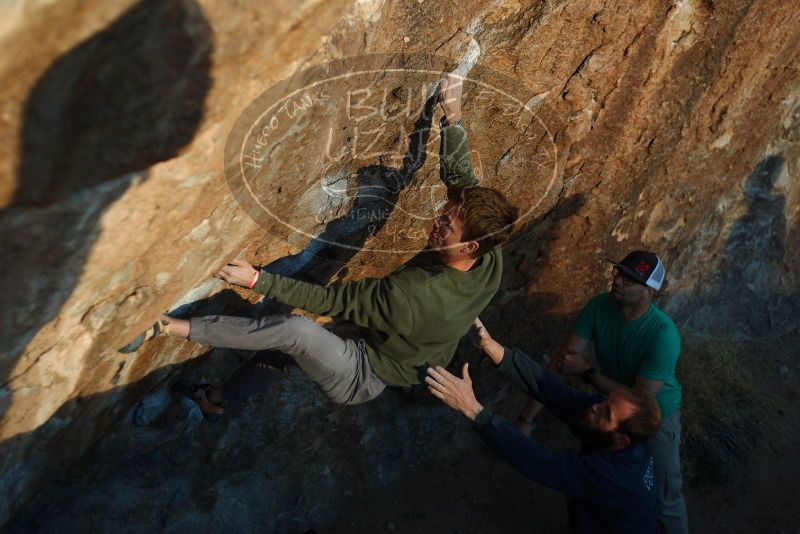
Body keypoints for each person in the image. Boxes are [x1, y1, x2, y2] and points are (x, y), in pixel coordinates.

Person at [122, 73, 518, 413]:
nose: (437, 220)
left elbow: (334, 301)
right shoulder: (489, 249)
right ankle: (218, 400)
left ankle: (166, 326)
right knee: (288, 349)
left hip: (364, 375)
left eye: (447, 225)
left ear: (469, 247)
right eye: (444, 213)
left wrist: (259, 281)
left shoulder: (415, 294)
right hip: (394, 344)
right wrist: (452, 116)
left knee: (297, 333)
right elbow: (461, 181)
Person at [426, 318, 661, 533]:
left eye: (606, 412)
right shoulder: (619, 430)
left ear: (621, 440)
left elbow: (539, 461)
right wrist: (493, 348)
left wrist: (472, 409)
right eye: (605, 400)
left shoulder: (614, 476)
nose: (596, 405)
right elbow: (555, 392)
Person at [517, 250, 688, 533]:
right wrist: (526, 419)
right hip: (610, 408)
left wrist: (587, 372)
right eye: (619, 272)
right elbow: (563, 362)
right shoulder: (599, 306)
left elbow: (639, 399)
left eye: (630, 279)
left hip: (657, 416)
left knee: (665, 496)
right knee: (590, 480)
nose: (618, 281)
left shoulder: (663, 335)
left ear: (648, 292)